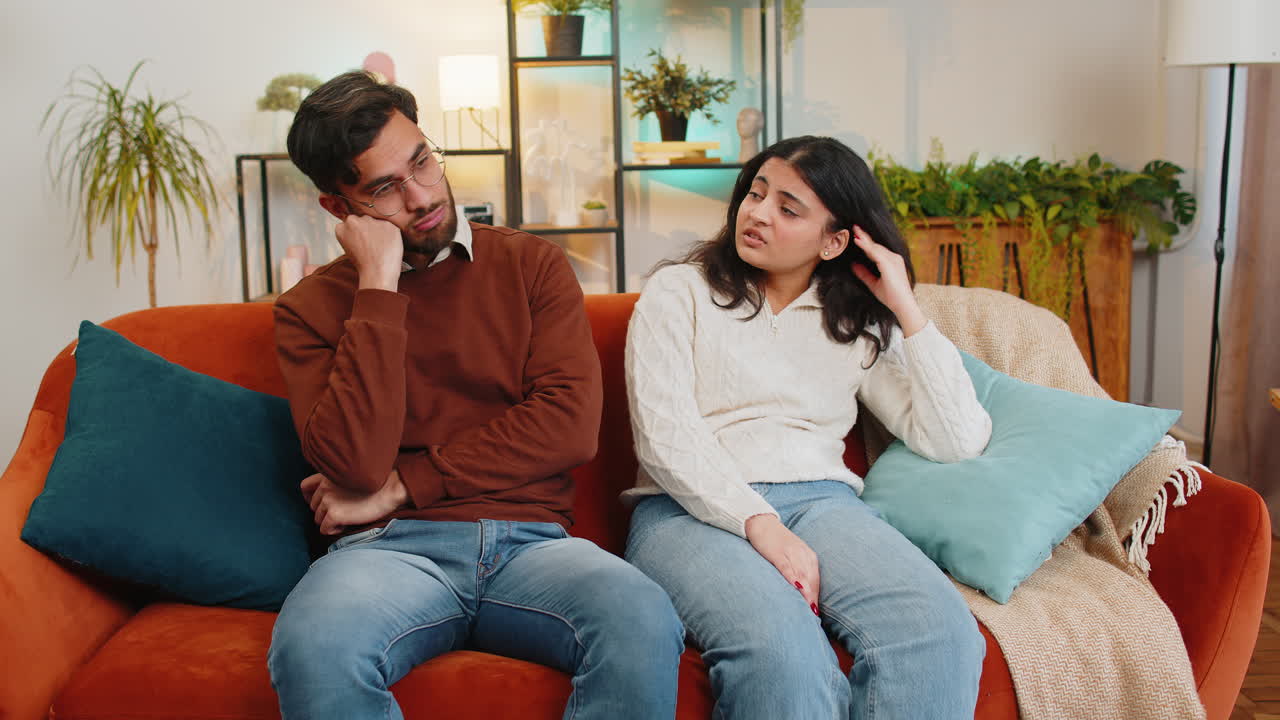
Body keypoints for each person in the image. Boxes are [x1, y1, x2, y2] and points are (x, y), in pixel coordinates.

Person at [268, 70, 683, 720]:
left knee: (641, 614)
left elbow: (570, 426)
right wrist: (378, 285)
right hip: (389, 552)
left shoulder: (532, 266)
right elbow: (353, 467)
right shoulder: (309, 309)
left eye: (422, 161)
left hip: (534, 546)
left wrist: (403, 485)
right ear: (339, 208)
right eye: (384, 188)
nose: (422, 194)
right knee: (313, 644)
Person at [623, 135, 992, 719]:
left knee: (942, 632)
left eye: (788, 209)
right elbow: (663, 438)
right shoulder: (679, 291)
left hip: (825, 507)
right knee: (785, 655)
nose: (757, 213)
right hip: (686, 511)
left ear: (835, 241)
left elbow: (956, 439)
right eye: (756, 193)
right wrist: (760, 524)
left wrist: (906, 309)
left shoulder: (853, 319)